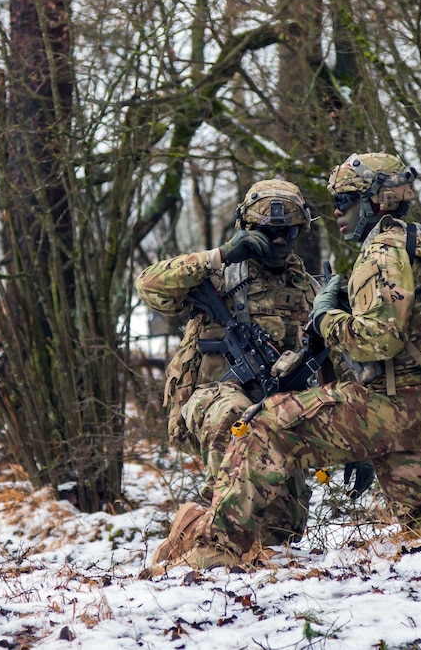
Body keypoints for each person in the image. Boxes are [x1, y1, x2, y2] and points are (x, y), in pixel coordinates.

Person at [156, 153, 421, 570]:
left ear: (376, 201)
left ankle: (212, 546)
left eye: (345, 201)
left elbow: (378, 341)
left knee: (262, 426)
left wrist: (328, 316)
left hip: (394, 403)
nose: (337, 212)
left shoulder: (380, 252)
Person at [136, 178, 368, 562]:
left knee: (278, 533)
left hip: (276, 407)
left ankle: (190, 528)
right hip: (212, 397)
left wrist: (355, 442)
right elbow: (148, 284)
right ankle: (215, 549)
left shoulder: (312, 292)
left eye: (287, 233)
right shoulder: (215, 273)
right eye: (267, 232)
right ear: (247, 228)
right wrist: (221, 255)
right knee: (233, 419)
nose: (277, 242)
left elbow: (334, 364)